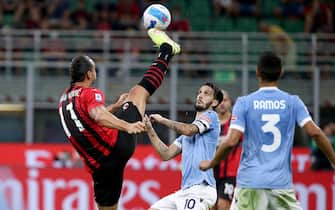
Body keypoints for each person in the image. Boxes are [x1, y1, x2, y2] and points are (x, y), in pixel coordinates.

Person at [58, 28, 181, 210]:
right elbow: (98, 115)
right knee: (138, 92)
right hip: (117, 146)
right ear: (89, 75)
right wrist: (127, 126)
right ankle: (166, 51)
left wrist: (114, 108)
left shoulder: (64, 99)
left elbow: (89, 119)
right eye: (94, 69)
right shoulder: (90, 93)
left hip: (99, 168)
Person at [199, 52, 335, 209]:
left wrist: (212, 162)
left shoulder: (244, 103)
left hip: (250, 183)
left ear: (257, 72)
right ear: (281, 72)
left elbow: (231, 141)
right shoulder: (293, 102)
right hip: (280, 184)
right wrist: (333, 160)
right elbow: (315, 133)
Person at [144, 82, 224, 210]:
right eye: (199, 92)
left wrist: (162, 120)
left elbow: (188, 130)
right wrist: (149, 129)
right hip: (185, 190)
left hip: (201, 189)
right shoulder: (186, 136)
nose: (200, 96)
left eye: (206, 93)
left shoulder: (211, 117)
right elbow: (166, 154)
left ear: (214, 102)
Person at [213, 89, 242, 210]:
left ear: (230, 102)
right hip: (210, 173)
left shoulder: (236, 121)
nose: (222, 103)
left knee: (222, 205)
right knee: (211, 206)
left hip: (230, 174)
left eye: (225, 100)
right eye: (219, 101)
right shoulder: (209, 123)